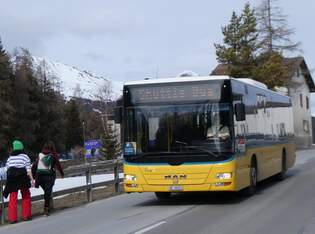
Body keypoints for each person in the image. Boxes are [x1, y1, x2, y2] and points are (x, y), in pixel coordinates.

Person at [3, 140, 34, 223]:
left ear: (14, 148)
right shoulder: (25, 157)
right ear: (22, 147)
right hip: (22, 177)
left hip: (12, 178)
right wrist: (32, 180)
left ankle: (12, 218)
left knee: (13, 197)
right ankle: (26, 215)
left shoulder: (10, 158)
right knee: (26, 195)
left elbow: (7, 169)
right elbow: (28, 170)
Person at [32, 141, 64, 216]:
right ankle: (46, 209)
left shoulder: (40, 154)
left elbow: (34, 166)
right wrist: (62, 174)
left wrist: (34, 177)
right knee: (47, 193)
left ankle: (47, 207)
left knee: (46, 192)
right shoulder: (53, 154)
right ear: (52, 147)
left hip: (40, 177)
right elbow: (58, 165)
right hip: (49, 176)